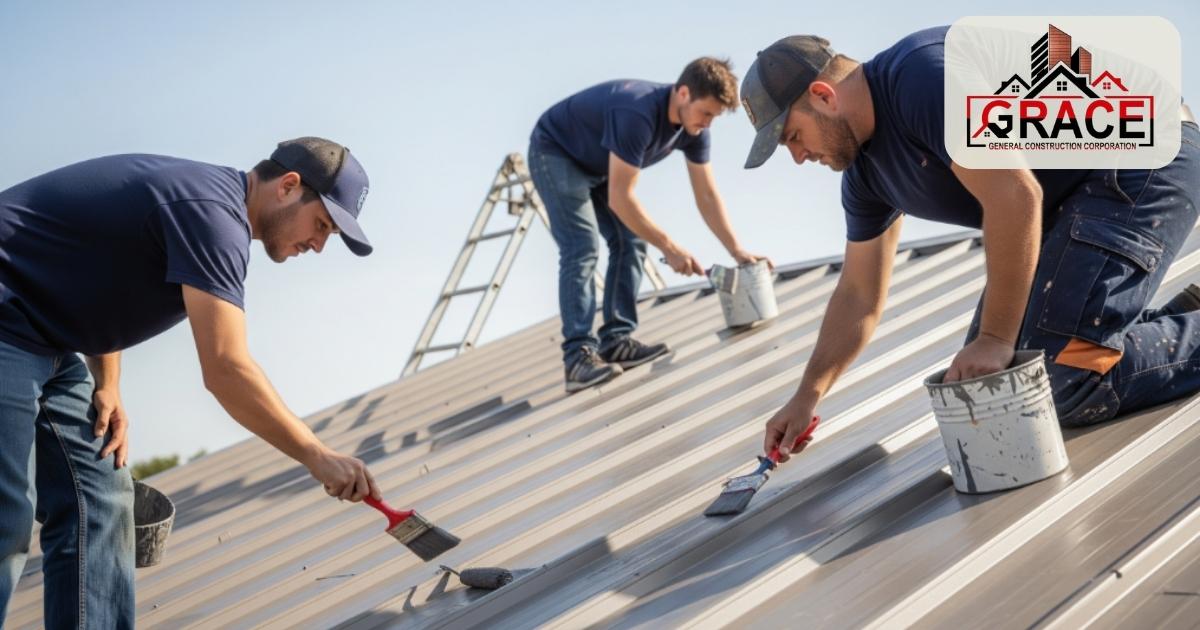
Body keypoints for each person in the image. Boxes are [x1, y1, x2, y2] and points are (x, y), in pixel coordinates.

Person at [739, 29, 1200, 461]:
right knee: (1001, 387)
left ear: (824, 96)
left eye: (792, 137)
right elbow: (859, 293)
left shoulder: (921, 79)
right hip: (1074, 200)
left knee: (1062, 379)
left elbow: (1015, 195)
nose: (798, 157)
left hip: (1144, 154)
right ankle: (1185, 315)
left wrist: (994, 339)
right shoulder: (865, 176)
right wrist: (807, 395)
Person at [0, 137, 383, 627]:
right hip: (9, 321)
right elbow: (226, 368)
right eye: (322, 225)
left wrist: (108, 382)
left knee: (99, 497)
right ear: (289, 186)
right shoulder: (212, 215)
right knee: (6, 512)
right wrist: (318, 455)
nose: (319, 244)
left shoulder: (209, 208)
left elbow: (98, 279)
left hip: (43, 339)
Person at [528, 57, 773, 393]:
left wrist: (736, 250)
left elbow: (706, 195)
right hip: (556, 152)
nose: (708, 124)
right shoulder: (637, 113)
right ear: (683, 94)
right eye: (706, 113)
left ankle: (616, 340)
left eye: (714, 117)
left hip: (598, 163)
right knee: (581, 246)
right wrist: (670, 248)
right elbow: (621, 198)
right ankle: (578, 357)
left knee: (631, 240)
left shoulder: (694, 130)